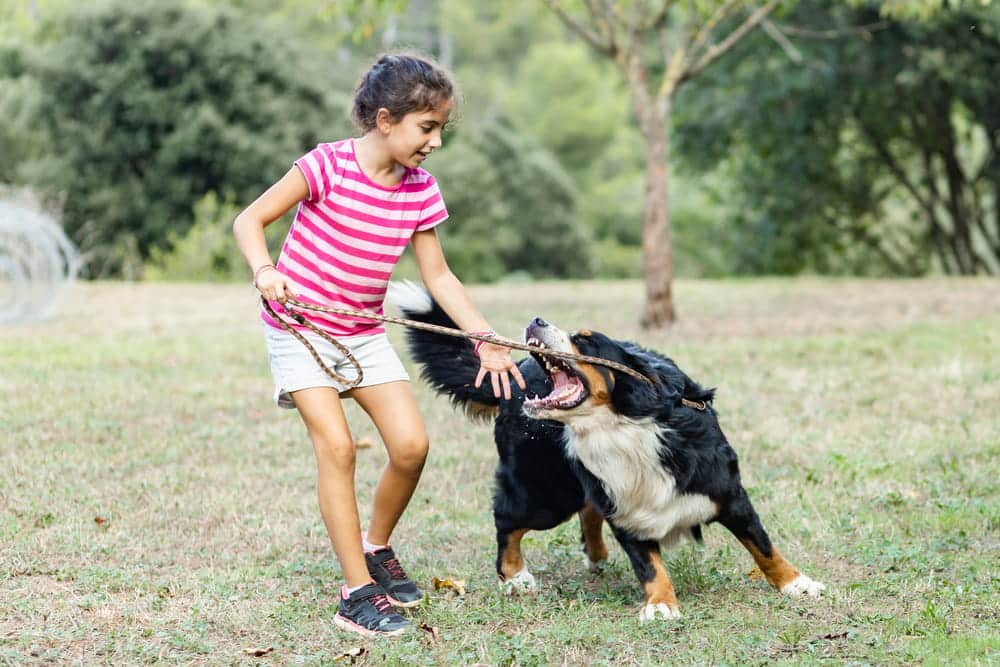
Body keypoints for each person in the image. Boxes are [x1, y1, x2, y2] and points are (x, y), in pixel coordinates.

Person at [232, 53, 525, 637]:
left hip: (362, 331)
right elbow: (249, 220)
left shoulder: (420, 190)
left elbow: (439, 276)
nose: (436, 142)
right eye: (428, 127)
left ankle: (376, 546)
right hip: (300, 328)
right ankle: (356, 593)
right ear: (386, 119)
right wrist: (265, 271)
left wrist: (486, 341)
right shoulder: (326, 166)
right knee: (337, 449)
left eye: (442, 128)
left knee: (412, 447)